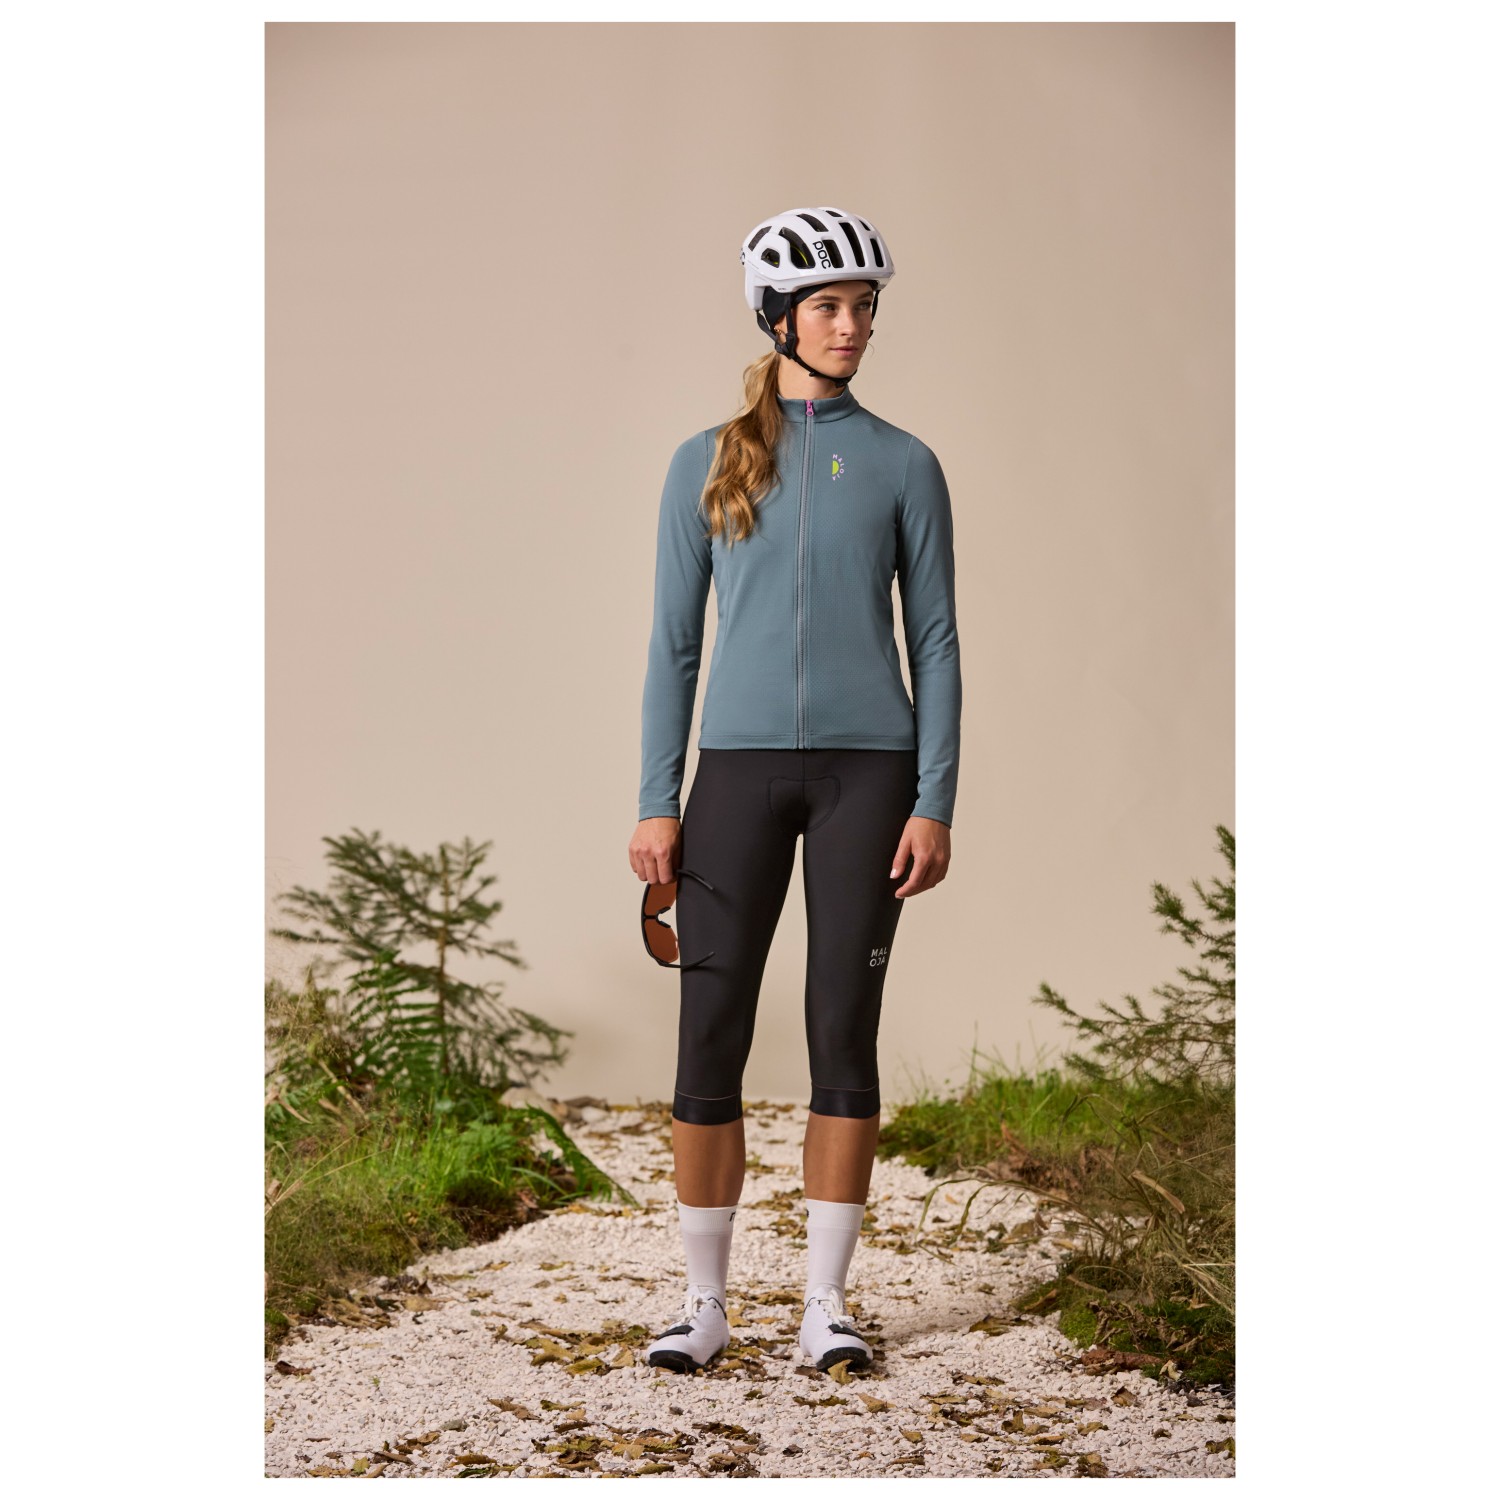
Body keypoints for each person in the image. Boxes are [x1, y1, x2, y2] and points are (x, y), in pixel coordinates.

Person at [626, 205, 961, 1375]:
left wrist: (934, 798)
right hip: (736, 774)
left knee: (841, 1028)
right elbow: (674, 645)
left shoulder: (906, 463)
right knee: (710, 1027)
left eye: (865, 305)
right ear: (777, 317)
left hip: (871, 776)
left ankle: (826, 1305)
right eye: (828, 304)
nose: (852, 324)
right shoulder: (705, 463)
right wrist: (657, 799)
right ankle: (703, 1304)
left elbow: (937, 641)